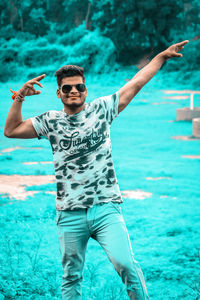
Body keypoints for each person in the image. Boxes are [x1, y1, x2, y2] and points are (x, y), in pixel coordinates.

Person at [4, 40, 189, 300]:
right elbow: (11, 130)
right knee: (71, 277)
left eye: (78, 86)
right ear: (58, 93)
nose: (73, 91)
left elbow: (135, 83)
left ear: (85, 89)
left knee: (127, 266)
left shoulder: (102, 110)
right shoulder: (50, 121)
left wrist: (160, 57)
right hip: (69, 214)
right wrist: (20, 95)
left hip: (106, 208)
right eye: (66, 88)